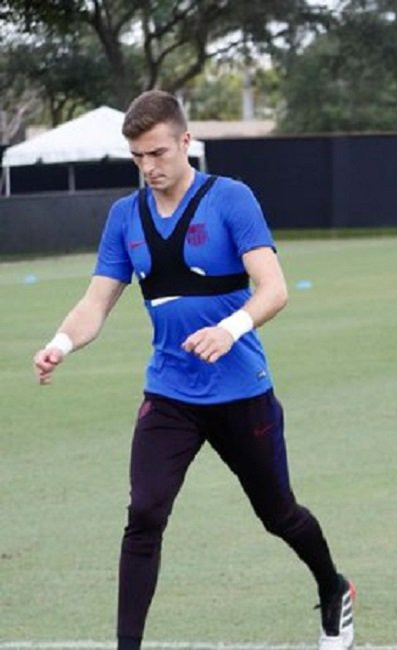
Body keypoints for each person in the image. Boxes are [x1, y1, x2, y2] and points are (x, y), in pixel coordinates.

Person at [31, 90, 355, 650]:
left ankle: (334, 588)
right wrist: (62, 342)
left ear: (186, 142)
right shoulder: (123, 217)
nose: (148, 168)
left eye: (158, 153)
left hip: (240, 392)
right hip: (170, 393)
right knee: (144, 514)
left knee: (279, 514)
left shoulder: (230, 199)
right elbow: (96, 302)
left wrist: (229, 329)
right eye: (137, 157)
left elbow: (273, 289)